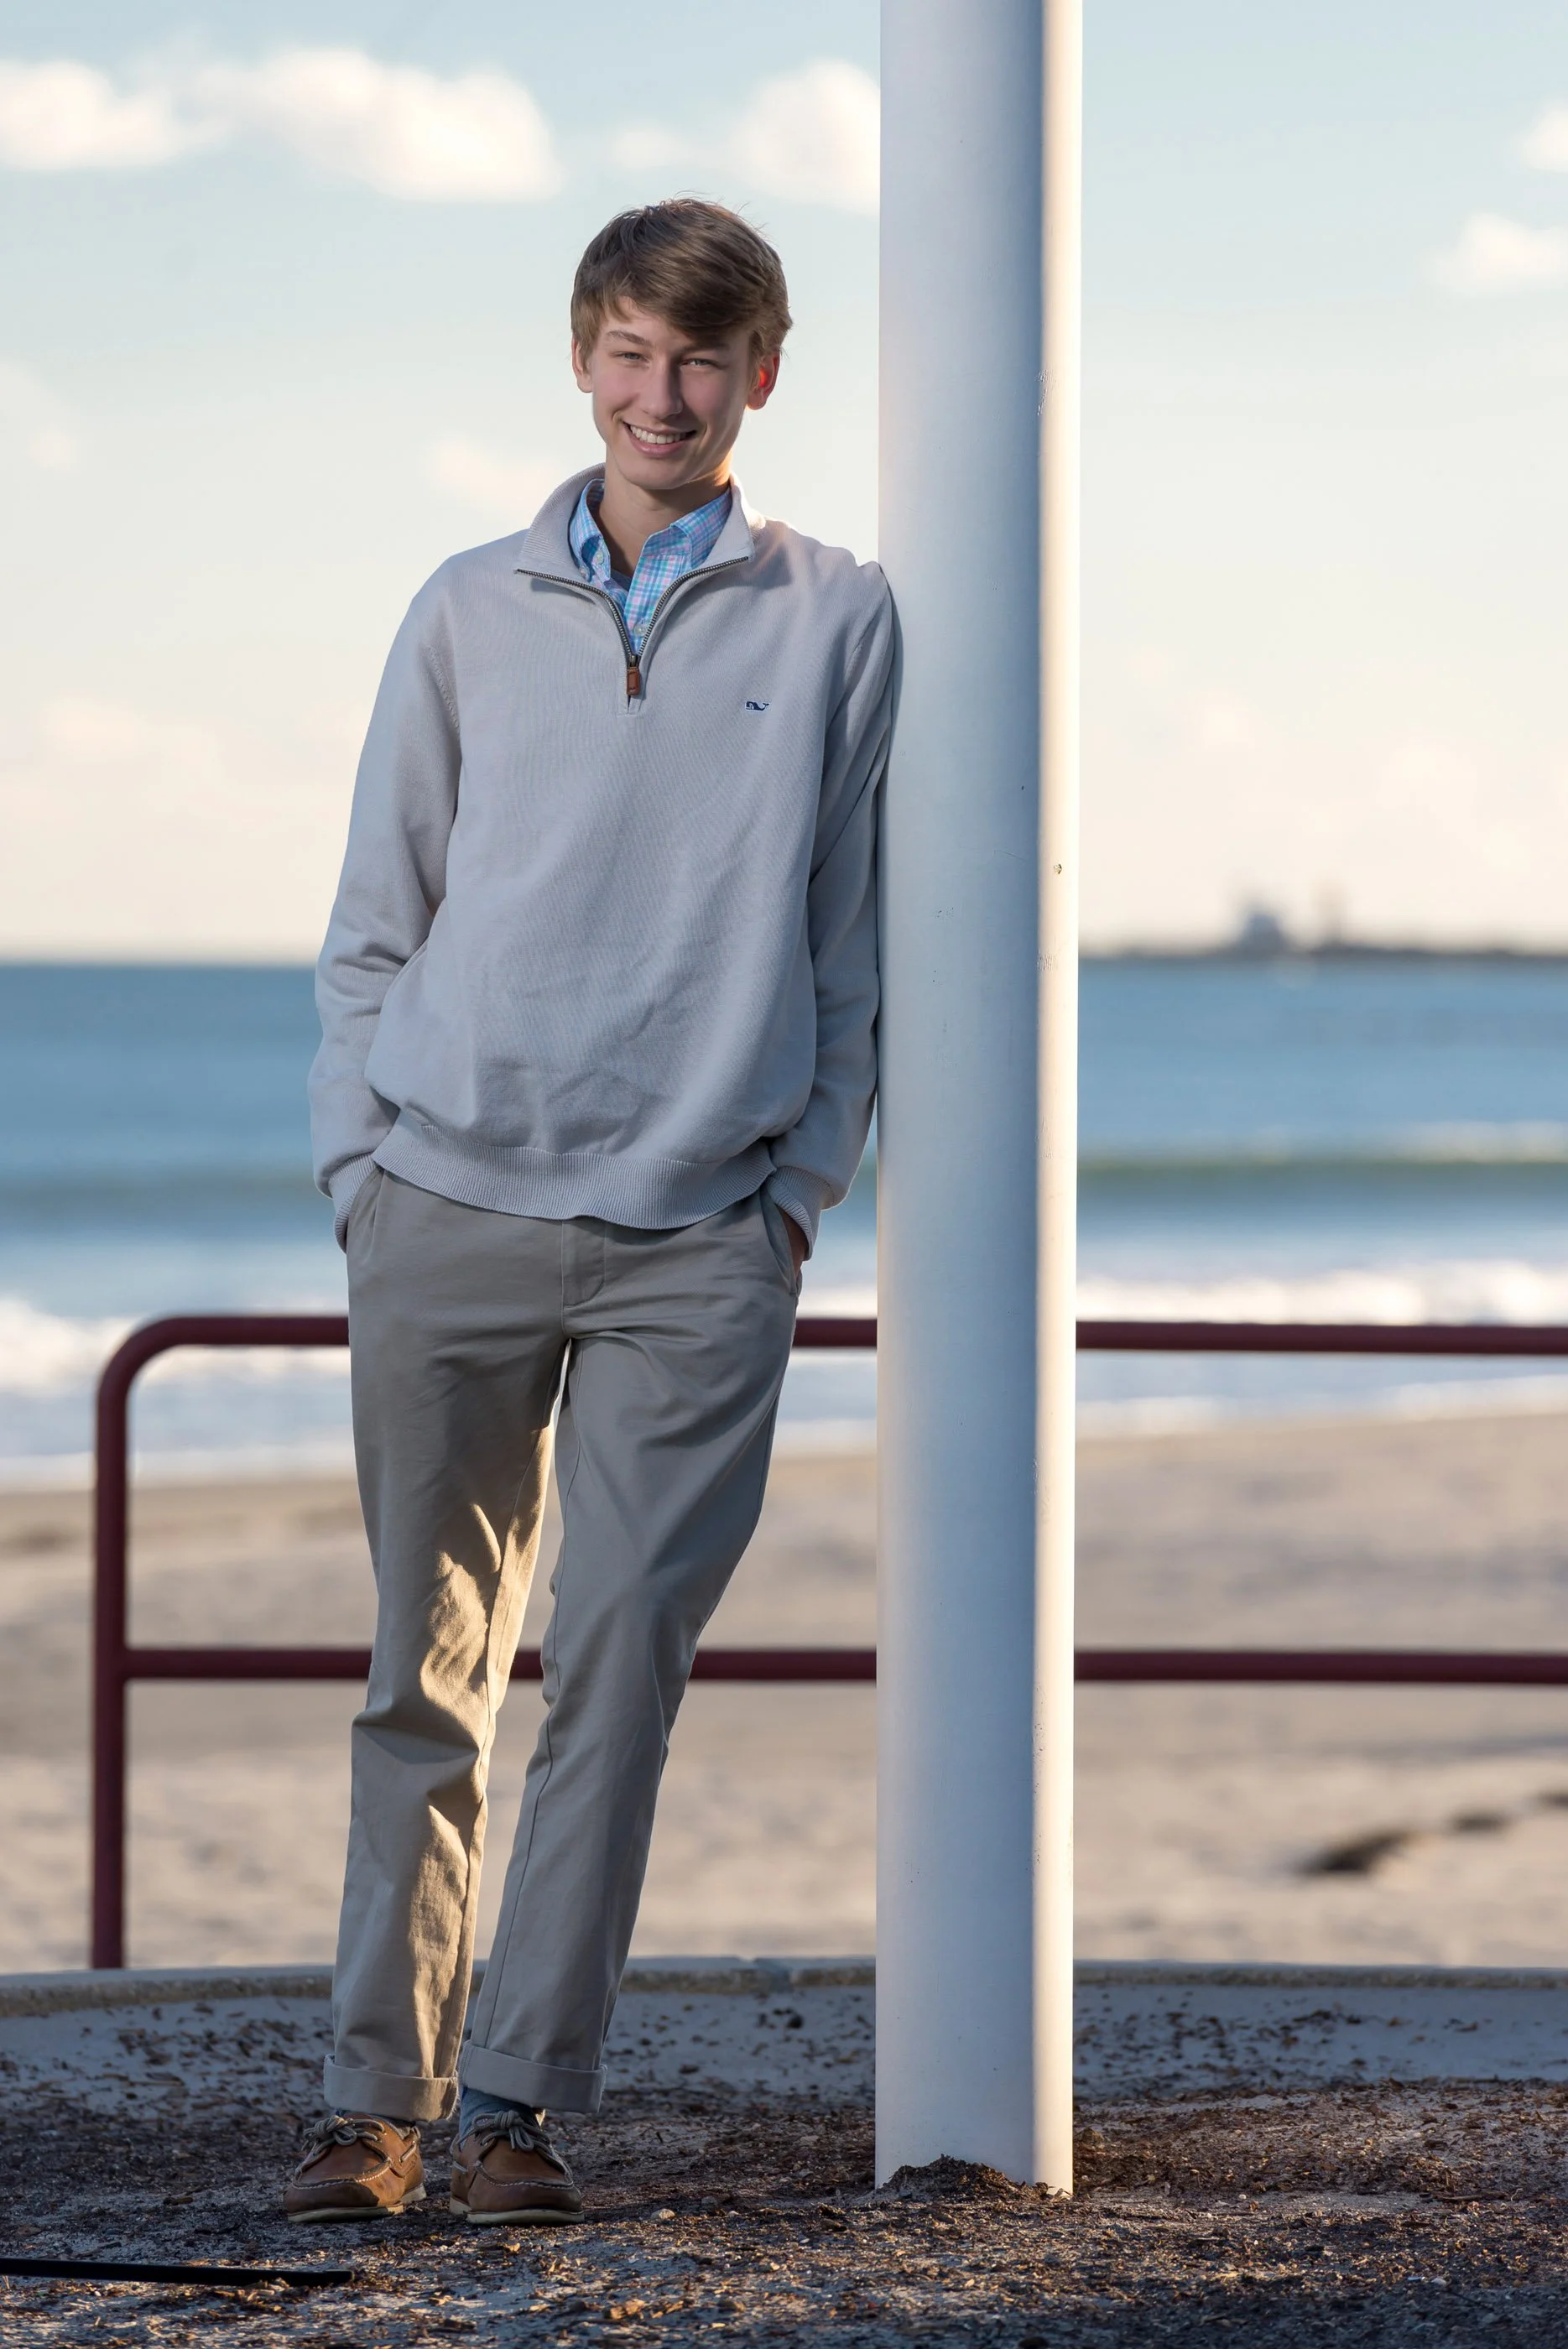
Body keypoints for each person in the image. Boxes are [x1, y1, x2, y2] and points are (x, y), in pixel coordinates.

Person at [285, 200, 894, 2226]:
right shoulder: (463, 607)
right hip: (445, 1202)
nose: (664, 396)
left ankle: (519, 2106)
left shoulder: (838, 620)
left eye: (702, 362)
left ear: (763, 375)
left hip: (694, 1243)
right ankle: (374, 2102)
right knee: (422, 1674)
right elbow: (378, 915)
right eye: (632, 355)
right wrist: (362, 1176)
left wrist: (790, 1198)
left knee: (616, 1672)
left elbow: (852, 944)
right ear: (583, 357)